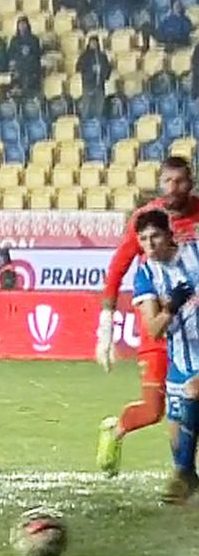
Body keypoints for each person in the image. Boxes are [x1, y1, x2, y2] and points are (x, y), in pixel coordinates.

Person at [95, 157, 199, 476]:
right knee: (155, 409)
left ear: (191, 182)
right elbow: (118, 267)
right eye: (167, 181)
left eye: (180, 181)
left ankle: (183, 475)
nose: (173, 188)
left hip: (194, 330)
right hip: (159, 325)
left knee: (190, 400)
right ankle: (115, 430)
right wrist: (106, 327)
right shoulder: (145, 219)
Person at [129, 209, 199, 504]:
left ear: (169, 235)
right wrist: (170, 306)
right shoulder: (146, 274)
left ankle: (183, 474)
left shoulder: (195, 253)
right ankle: (187, 482)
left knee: (194, 391)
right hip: (181, 361)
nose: (150, 244)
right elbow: (154, 329)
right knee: (178, 440)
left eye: (155, 236)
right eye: (143, 239)